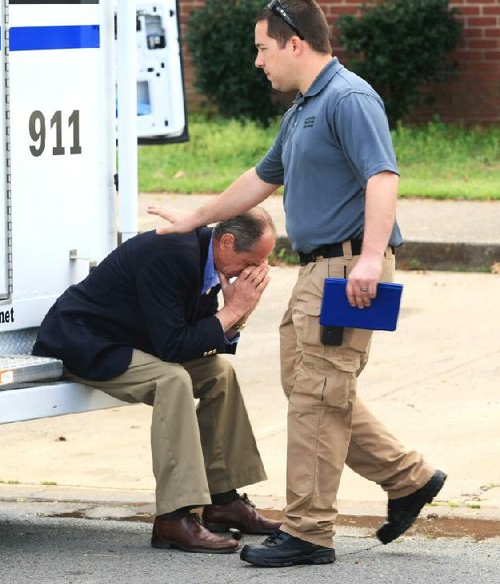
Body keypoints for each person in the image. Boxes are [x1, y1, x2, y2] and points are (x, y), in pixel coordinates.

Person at [148, 0, 445, 568]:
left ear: (294, 44)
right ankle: (409, 480)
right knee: (316, 387)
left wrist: (369, 259)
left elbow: (383, 177)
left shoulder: (349, 99)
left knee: (318, 396)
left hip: (348, 267)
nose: (258, 62)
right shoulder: (305, 109)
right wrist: (196, 219)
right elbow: (260, 179)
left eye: (262, 48)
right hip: (321, 269)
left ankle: (310, 532)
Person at [32, 208, 281, 554]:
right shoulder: (173, 255)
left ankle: (222, 499)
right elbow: (174, 346)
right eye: (253, 261)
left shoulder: (212, 261)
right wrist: (233, 311)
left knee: (219, 373)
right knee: (172, 380)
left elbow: (194, 338)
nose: (255, 271)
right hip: (85, 342)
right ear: (226, 242)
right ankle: (174, 518)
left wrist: (238, 314)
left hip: (135, 339)